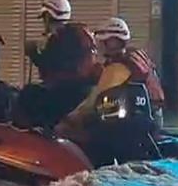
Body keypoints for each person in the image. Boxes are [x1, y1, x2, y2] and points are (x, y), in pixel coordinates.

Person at [55, 17, 165, 145]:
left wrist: (68, 120)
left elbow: (92, 103)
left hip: (129, 127)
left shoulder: (117, 68)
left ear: (111, 42)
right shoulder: (135, 59)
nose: (98, 46)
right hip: (152, 120)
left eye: (101, 42)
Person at [14, 0, 99, 128]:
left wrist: (33, 53)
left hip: (65, 92)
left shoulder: (61, 38)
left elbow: (49, 69)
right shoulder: (80, 33)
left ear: (48, 17)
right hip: (82, 91)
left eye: (44, 18)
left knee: (28, 95)